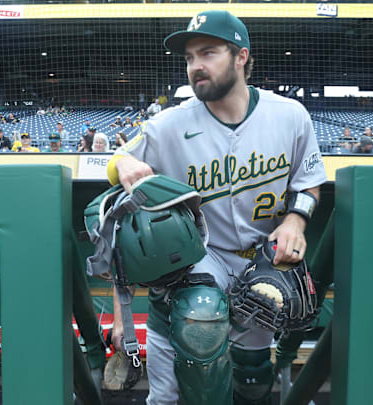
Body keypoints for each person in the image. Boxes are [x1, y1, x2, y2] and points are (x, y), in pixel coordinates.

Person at [107, 10, 326, 405]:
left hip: (263, 266)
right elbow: (119, 168)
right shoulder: (168, 125)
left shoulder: (290, 115)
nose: (196, 66)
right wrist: (121, 162)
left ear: (241, 56)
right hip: (195, 266)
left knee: (255, 381)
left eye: (208, 53)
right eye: (190, 58)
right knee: (199, 317)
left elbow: (309, 183)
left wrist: (296, 219)